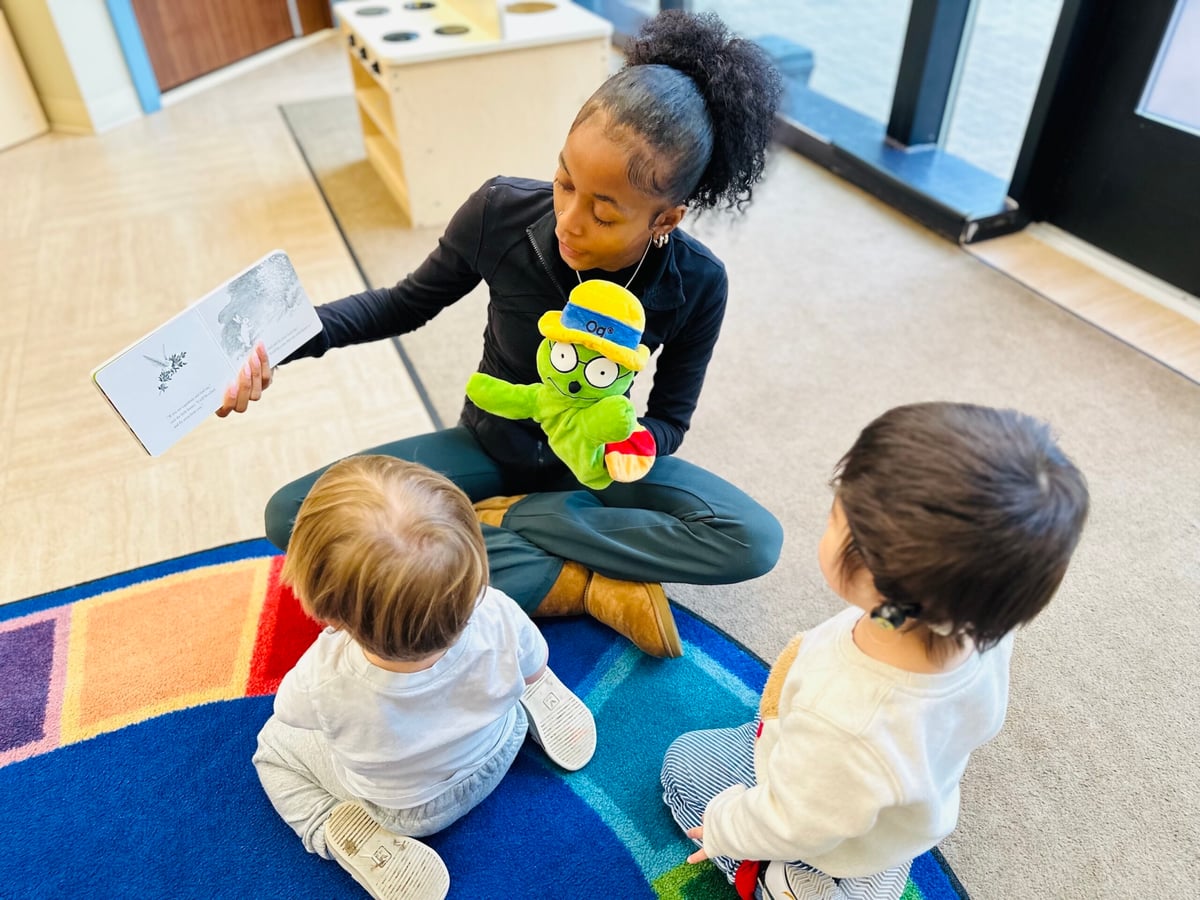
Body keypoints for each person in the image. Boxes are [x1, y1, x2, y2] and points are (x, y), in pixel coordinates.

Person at [218, 10, 786, 659]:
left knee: (751, 539)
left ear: (667, 218)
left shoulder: (697, 282)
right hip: (490, 445)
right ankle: (579, 578)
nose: (570, 221)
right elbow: (401, 305)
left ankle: (518, 527)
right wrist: (279, 343)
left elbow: (670, 421)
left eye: (605, 212)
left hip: (593, 469)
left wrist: (624, 443)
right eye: (565, 181)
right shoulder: (500, 211)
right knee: (294, 517)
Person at [659, 402, 1090, 900]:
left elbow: (793, 819)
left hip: (826, 829)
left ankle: (797, 883)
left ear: (873, 574)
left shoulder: (846, 715)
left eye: (834, 514)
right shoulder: (980, 621)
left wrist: (726, 827)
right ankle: (877, 867)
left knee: (686, 765)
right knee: (847, 798)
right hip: (900, 811)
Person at [252, 455, 597, 900]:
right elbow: (533, 666)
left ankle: (327, 823)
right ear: (472, 575)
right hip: (500, 746)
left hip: (405, 811)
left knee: (273, 748)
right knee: (523, 677)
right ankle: (537, 707)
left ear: (327, 613)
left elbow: (289, 714)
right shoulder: (496, 610)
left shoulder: (322, 678)